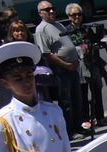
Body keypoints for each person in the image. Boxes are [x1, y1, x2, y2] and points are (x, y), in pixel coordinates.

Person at [34, 2, 82, 134]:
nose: (51, 11)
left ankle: (80, 126)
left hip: (73, 67)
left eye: (52, 8)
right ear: (40, 13)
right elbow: (46, 53)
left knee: (77, 98)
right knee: (66, 102)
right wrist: (66, 65)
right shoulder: (41, 29)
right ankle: (70, 131)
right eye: (47, 10)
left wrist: (75, 60)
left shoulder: (59, 25)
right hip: (61, 70)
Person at [64, 5, 106, 131]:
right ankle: (85, 120)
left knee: (97, 90)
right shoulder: (67, 31)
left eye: (79, 14)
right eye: (73, 15)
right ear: (69, 17)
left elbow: (92, 42)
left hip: (92, 63)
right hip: (79, 65)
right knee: (82, 93)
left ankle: (100, 117)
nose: (77, 17)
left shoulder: (86, 29)